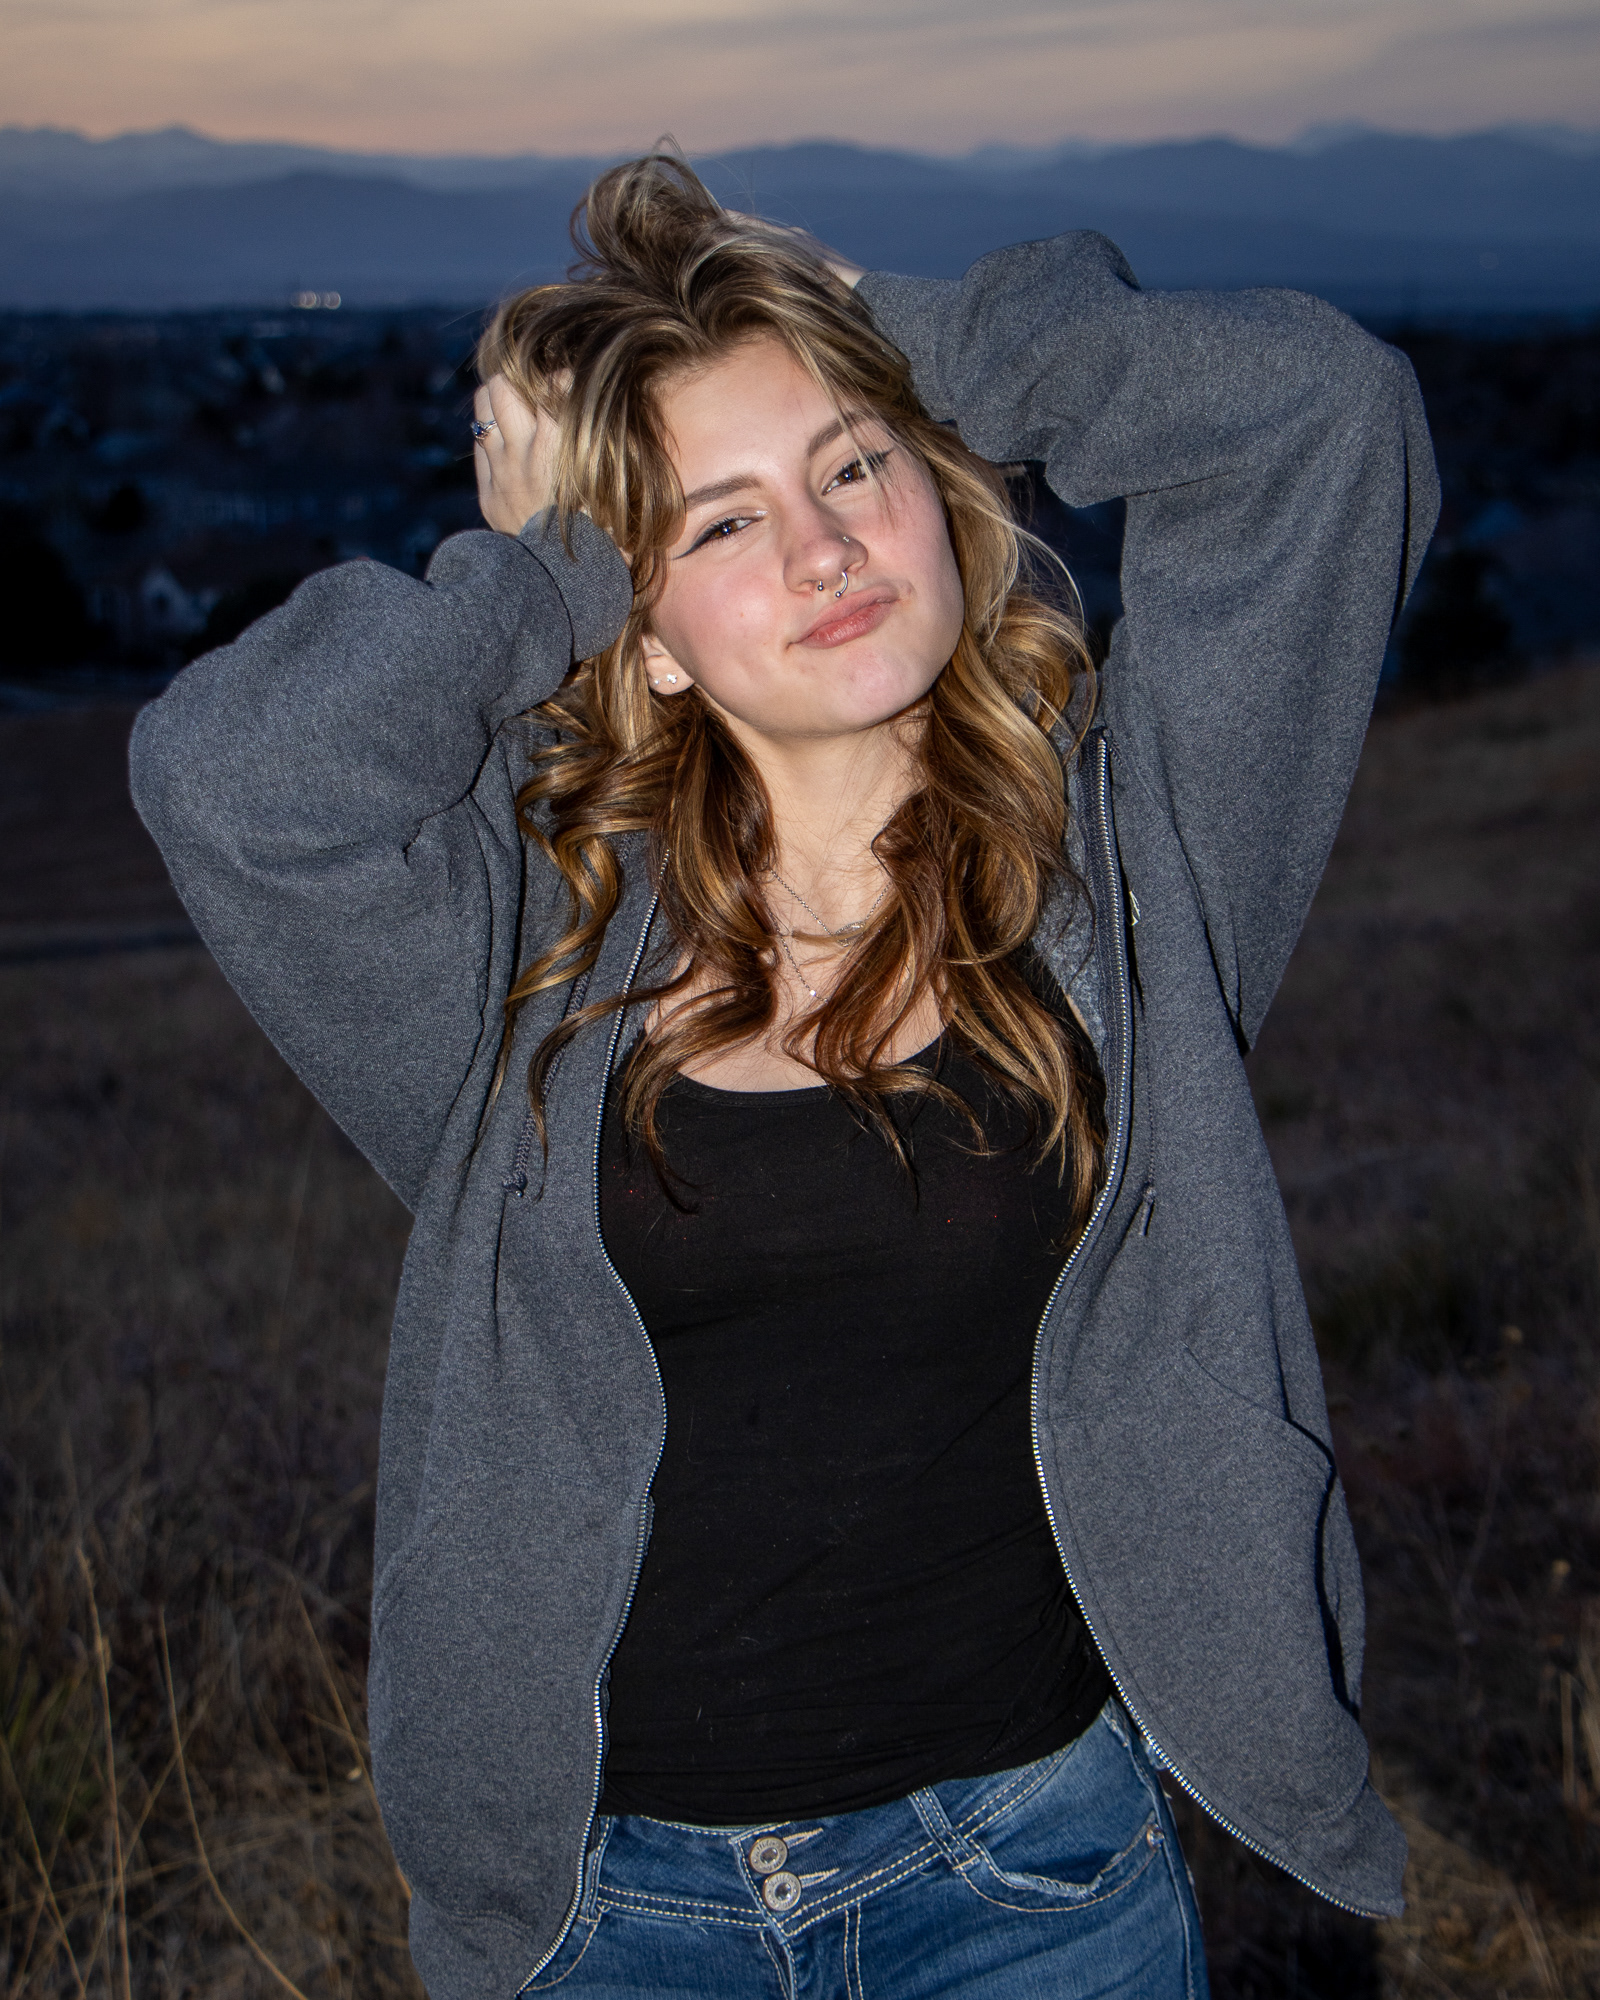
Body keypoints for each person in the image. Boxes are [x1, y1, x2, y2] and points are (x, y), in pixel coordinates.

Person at [130, 153, 1439, 1999]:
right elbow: (228, 776)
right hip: (611, 1921)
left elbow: (1324, 416)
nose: (823, 549)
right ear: (645, 633)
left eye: (852, 467)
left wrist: (897, 327)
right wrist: (550, 566)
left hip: (1034, 1884)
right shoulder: (531, 949)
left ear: (939, 491)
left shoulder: (1135, 860)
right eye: (723, 523)